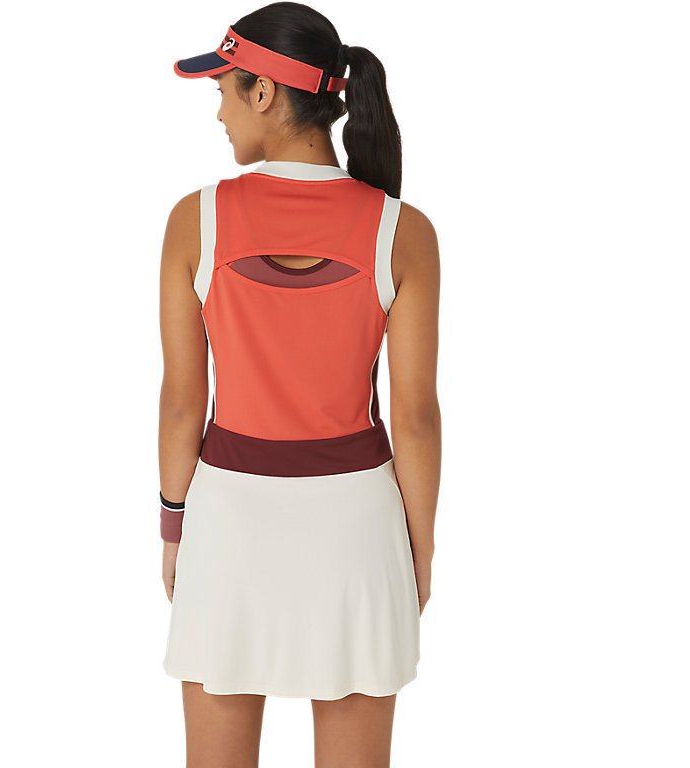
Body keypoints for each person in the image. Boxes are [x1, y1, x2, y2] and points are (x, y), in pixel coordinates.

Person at [158, 3, 441, 764]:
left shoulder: (195, 220)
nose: (218, 112)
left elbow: (183, 404)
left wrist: (173, 527)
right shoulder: (402, 230)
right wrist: (418, 549)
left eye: (223, 89)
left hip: (228, 525)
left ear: (263, 93)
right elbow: (415, 417)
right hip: (357, 530)